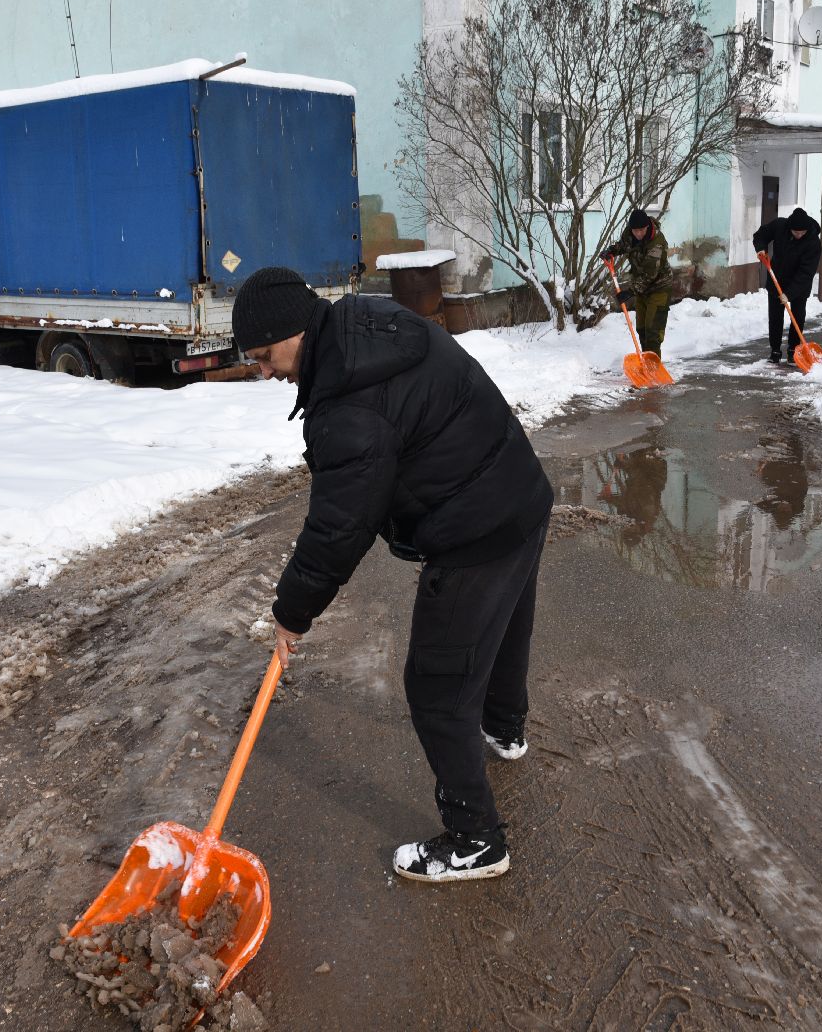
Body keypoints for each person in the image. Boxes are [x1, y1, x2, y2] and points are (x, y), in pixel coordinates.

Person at [234, 266, 554, 884]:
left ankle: (476, 842)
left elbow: (338, 528)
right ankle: (505, 729)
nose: (265, 371)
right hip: (518, 492)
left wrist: (290, 612)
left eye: (265, 356)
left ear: (295, 331)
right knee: (507, 621)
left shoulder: (348, 407)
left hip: (475, 527)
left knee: (437, 687)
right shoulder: (364, 322)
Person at [752, 207, 822, 364]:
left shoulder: (813, 243)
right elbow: (760, 235)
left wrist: (789, 293)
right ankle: (775, 351)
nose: (798, 235)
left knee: (797, 316)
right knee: (775, 317)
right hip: (776, 277)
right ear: (790, 227)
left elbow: (806, 273)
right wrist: (760, 248)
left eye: (801, 233)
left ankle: (793, 350)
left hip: (800, 284)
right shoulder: (780, 226)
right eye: (795, 232)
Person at [601, 207, 674, 357]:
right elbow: (624, 245)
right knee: (641, 329)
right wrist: (611, 251)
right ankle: (645, 361)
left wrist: (629, 292)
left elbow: (650, 275)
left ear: (647, 226)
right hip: (641, 288)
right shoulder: (630, 233)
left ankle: (654, 368)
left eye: (642, 230)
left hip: (659, 287)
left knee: (653, 331)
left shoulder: (657, 243)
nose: (639, 234)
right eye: (635, 230)